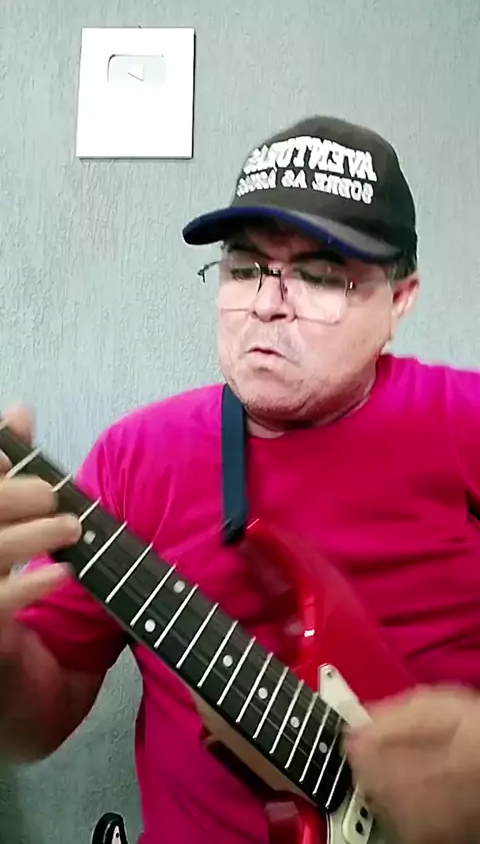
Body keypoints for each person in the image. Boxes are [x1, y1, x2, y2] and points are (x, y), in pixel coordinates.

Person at [1, 114, 480, 844]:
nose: (265, 304)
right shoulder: (138, 456)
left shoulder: (463, 420)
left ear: (400, 301)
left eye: (319, 276)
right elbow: (38, 721)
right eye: (246, 268)